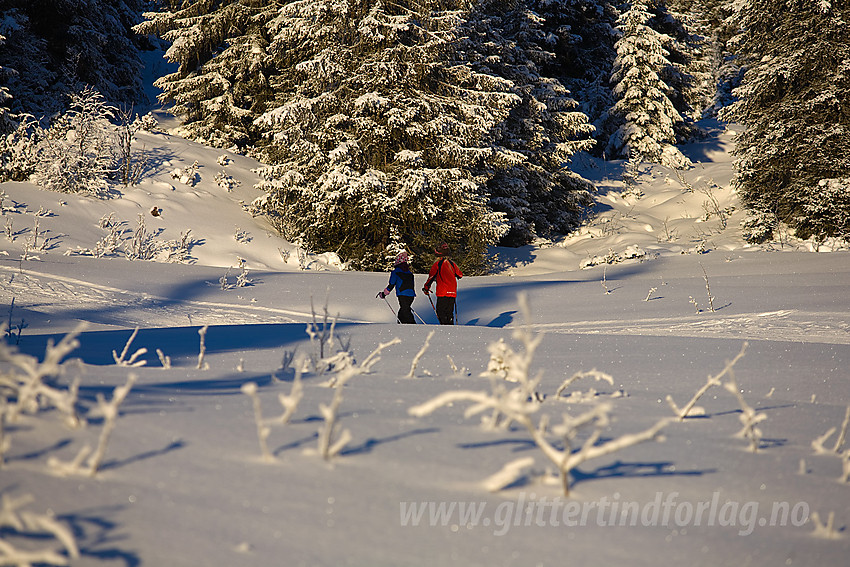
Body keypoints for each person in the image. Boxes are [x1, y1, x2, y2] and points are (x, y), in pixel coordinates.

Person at [423, 242, 463, 325]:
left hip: (443, 291)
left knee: (440, 312)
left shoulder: (437, 264)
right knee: (449, 313)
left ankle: (444, 329)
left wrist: (426, 288)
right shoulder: (452, 264)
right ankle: (450, 328)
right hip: (452, 292)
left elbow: (431, 277)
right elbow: (460, 274)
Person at [378, 251, 416, 324]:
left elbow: (391, 284)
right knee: (404, 310)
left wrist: (384, 294)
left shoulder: (395, 272)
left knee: (405, 311)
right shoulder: (409, 273)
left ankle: (413, 326)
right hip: (411, 295)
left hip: (402, 294)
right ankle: (401, 326)